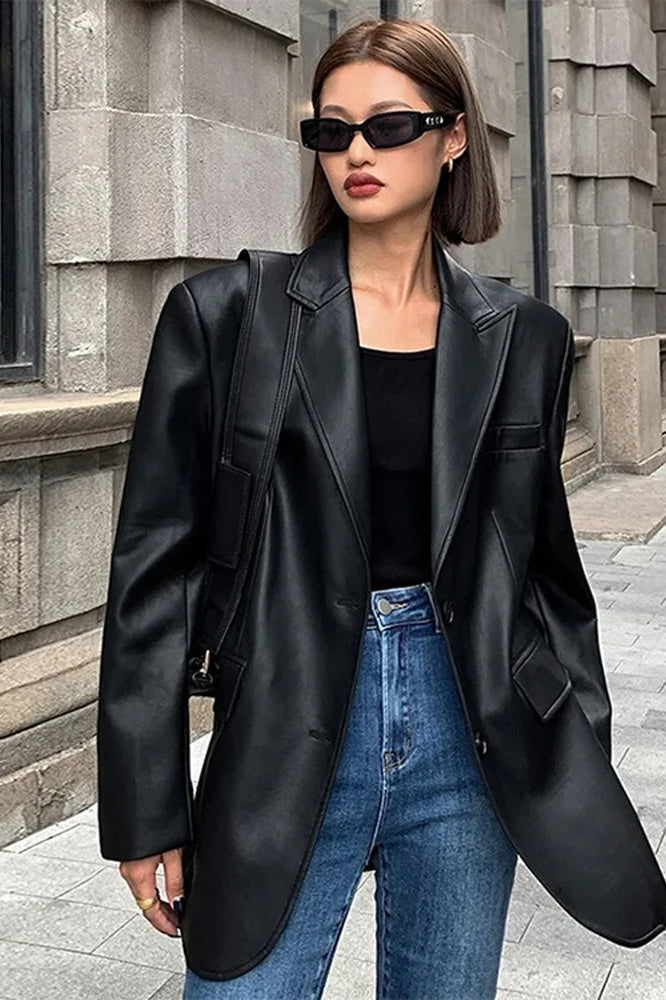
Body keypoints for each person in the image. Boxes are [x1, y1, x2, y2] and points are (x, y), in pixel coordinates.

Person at [96, 15, 666, 1000]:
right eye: (333, 130)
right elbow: (153, 570)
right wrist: (145, 808)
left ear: (454, 138)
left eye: (389, 126)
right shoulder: (226, 316)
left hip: (469, 721)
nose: (357, 152)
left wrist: (570, 753)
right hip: (285, 713)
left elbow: (546, 574)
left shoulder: (523, 337)